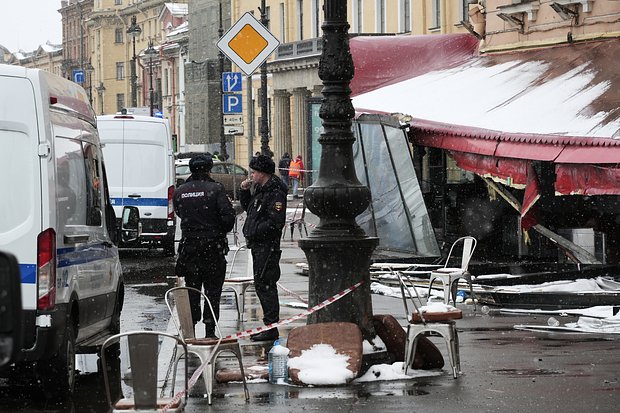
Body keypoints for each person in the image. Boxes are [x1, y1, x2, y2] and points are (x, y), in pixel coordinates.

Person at [173, 154, 236, 338]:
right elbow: (228, 218)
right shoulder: (216, 189)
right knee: (213, 291)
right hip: (212, 247)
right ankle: (210, 330)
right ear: (208, 169)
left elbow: (179, 212)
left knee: (192, 289)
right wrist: (215, 228)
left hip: (189, 248)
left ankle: (191, 328)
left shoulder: (181, 191)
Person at [239, 155, 288, 341]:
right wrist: (244, 192)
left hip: (267, 246)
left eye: (254, 172)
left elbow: (275, 222)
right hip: (259, 245)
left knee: (266, 285)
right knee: (261, 284)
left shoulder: (275, 192)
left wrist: (255, 231)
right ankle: (269, 325)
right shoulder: (261, 189)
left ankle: (271, 327)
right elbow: (250, 210)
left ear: (263, 173)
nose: (251, 175)